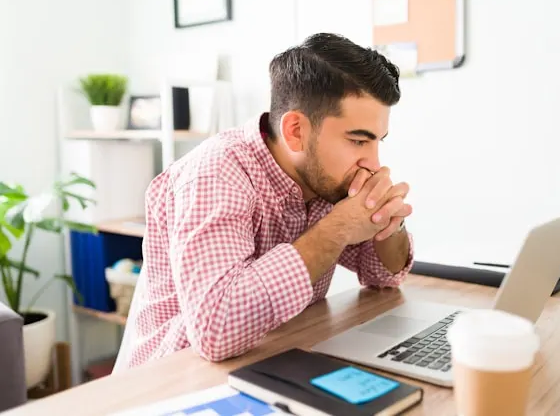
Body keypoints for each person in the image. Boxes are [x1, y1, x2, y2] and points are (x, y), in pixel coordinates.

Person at [113, 32, 414, 372]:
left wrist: (390, 218)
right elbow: (215, 331)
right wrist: (338, 229)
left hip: (269, 363)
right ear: (296, 131)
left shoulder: (328, 180)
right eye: (358, 140)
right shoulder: (216, 173)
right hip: (170, 382)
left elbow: (384, 276)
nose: (373, 163)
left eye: (378, 142)